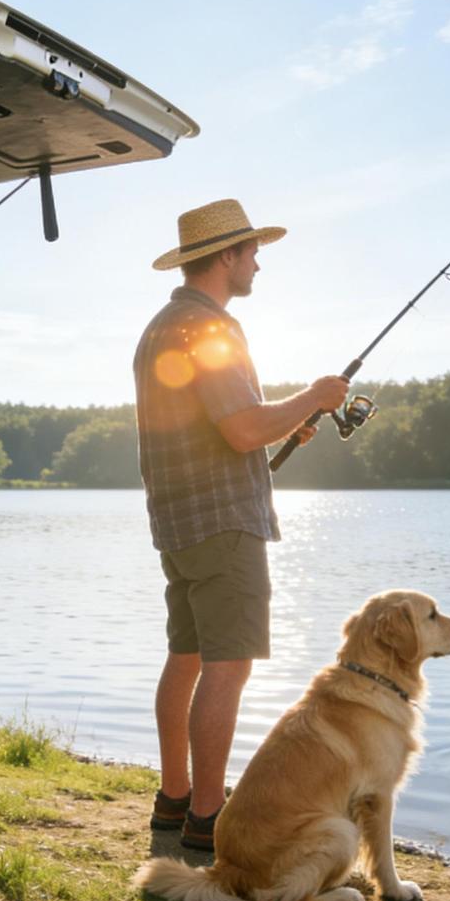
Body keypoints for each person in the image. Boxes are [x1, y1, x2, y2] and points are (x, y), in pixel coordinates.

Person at [133, 198, 349, 851]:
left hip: (179, 523)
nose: (258, 263)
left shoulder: (163, 325)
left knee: (186, 659)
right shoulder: (210, 328)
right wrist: (314, 396)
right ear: (226, 255)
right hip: (224, 524)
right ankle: (207, 818)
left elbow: (229, 426)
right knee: (227, 668)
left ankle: (174, 799)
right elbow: (243, 428)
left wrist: (290, 421)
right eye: (252, 252)